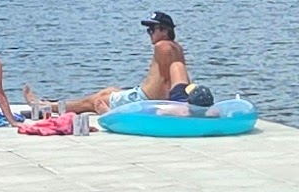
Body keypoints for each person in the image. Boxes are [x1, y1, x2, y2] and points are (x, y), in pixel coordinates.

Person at [57, 11, 213, 116]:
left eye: (152, 29)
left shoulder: (162, 46)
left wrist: (164, 106)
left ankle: (50, 107)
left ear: (165, 31)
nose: (149, 33)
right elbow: (173, 78)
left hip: (143, 99)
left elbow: (166, 82)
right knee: (110, 91)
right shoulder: (176, 47)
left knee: (91, 102)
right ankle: (54, 104)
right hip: (142, 94)